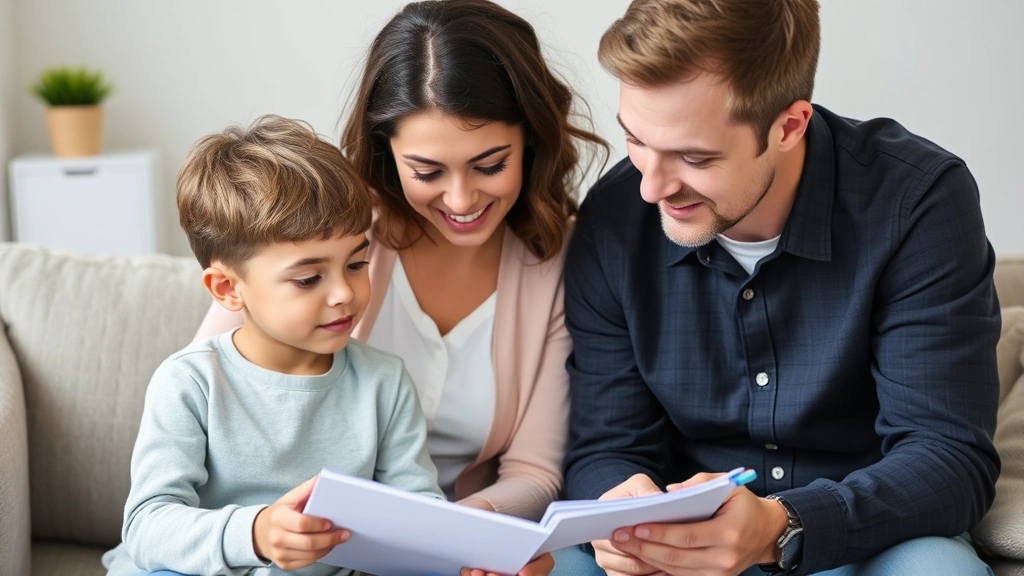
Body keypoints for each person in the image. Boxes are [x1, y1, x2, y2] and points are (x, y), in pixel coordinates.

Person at [562, 1, 1002, 575]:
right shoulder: (615, 217)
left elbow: (949, 458)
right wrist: (618, 506)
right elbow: (605, 444)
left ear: (789, 125)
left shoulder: (916, 202)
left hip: (861, 539)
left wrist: (783, 525)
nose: (652, 187)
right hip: (675, 549)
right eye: (636, 140)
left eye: (694, 156)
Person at [193, 1, 607, 575]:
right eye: (428, 171)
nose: (461, 201)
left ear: (530, 142)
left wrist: (464, 537)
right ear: (387, 150)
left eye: (490, 165)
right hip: (301, 545)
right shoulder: (333, 234)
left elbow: (534, 474)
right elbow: (209, 379)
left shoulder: (561, 260)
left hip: (465, 534)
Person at [103, 116, 442, 576]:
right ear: (227, 289)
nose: (344, 292)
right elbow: (147, 526)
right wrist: (257, 532)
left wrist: (465, 553)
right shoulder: (190, 383)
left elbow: (418, 515)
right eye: (308, 278)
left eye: (357, 264)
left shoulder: (384, 382)